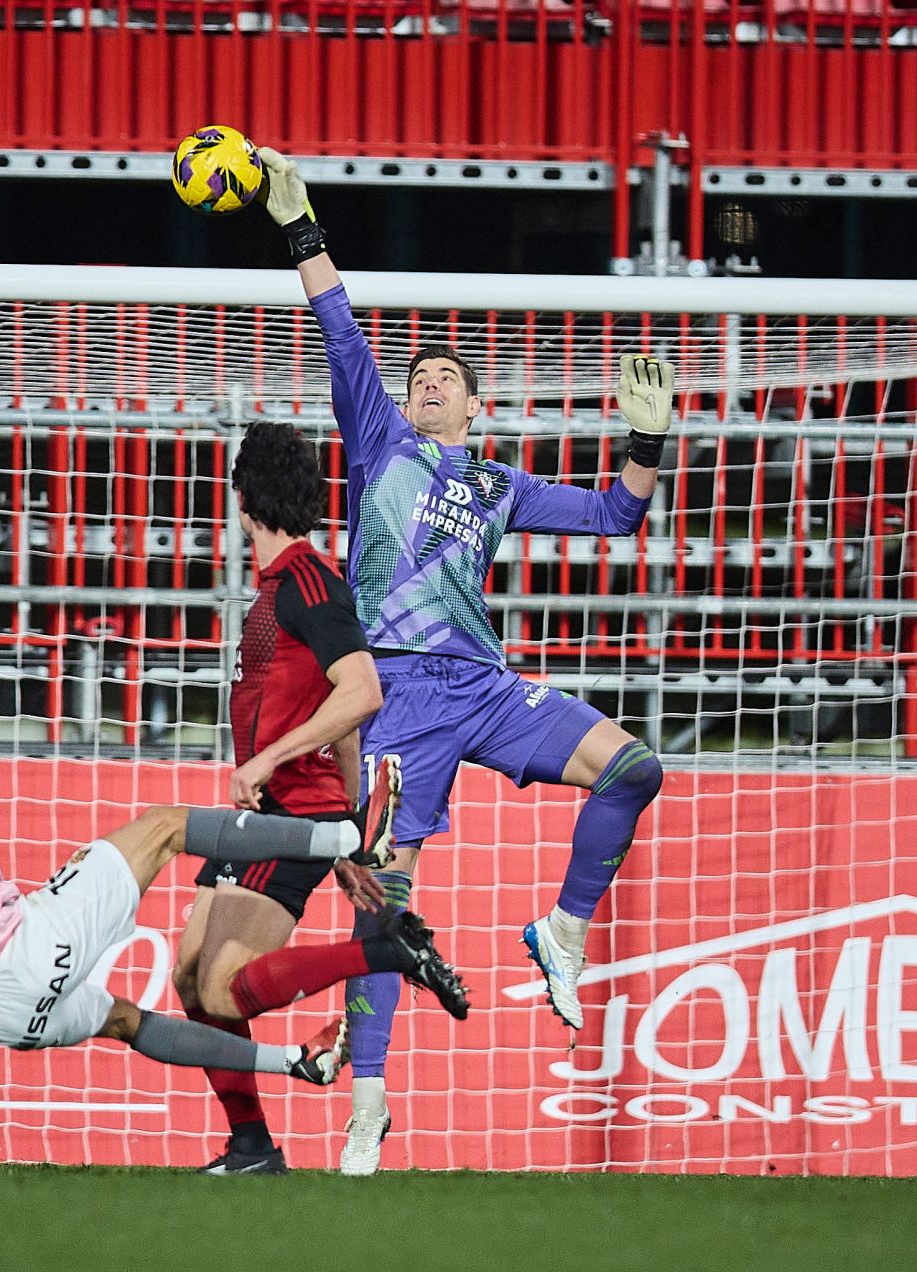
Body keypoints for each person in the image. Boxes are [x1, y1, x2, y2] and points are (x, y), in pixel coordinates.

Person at [251, 145, 677, 1175]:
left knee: (636, 766)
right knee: (384, 902)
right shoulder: (382, 440)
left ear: (477, 407)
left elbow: (618, 515)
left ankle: (564, 930)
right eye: (420, 377)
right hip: (396, 697)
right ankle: (367, 1105)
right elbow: (338, 325)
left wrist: (647, 437)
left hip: (486, 686)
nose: (429, 383)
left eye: (447, 377)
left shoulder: (498, 482)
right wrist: (300, 224)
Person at [0, 668, 468, 1091]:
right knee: (163, 827)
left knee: (127, 1021)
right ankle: (350, 835)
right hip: (21, 953)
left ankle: (295, 1065)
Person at [172, 421, 468, 1176]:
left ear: (242, 504)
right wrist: (351, 834)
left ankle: (383, 950)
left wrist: (299, 786)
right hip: (279, 816)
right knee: (191, 981)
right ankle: (250, 1146)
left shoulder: (311, 585)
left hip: (287, 815)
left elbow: (361, 691)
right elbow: (337, 719)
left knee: (222, 990)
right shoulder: (284, 588)